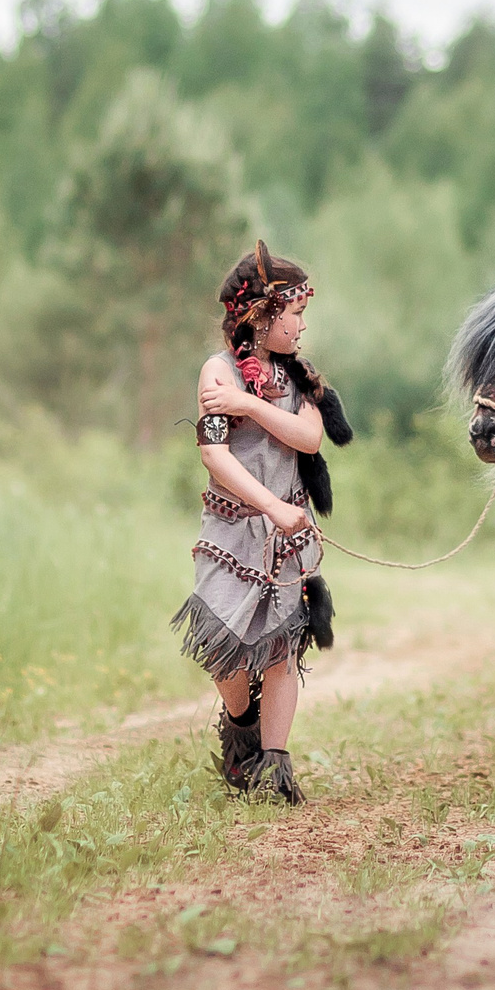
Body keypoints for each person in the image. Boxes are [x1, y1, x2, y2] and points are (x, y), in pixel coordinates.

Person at [170, 241, 350, 804]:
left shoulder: (297, 378)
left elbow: (310, 437)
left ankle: (274, 767)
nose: (300, 326)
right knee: (224, 642)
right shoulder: (218, 371)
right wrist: (271, 506)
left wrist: (247, 406)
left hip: (286, 537)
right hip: (231, 529)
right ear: (262, 314)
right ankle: (240, 722)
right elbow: (215, 456)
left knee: (278, 649)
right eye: (294, 314)